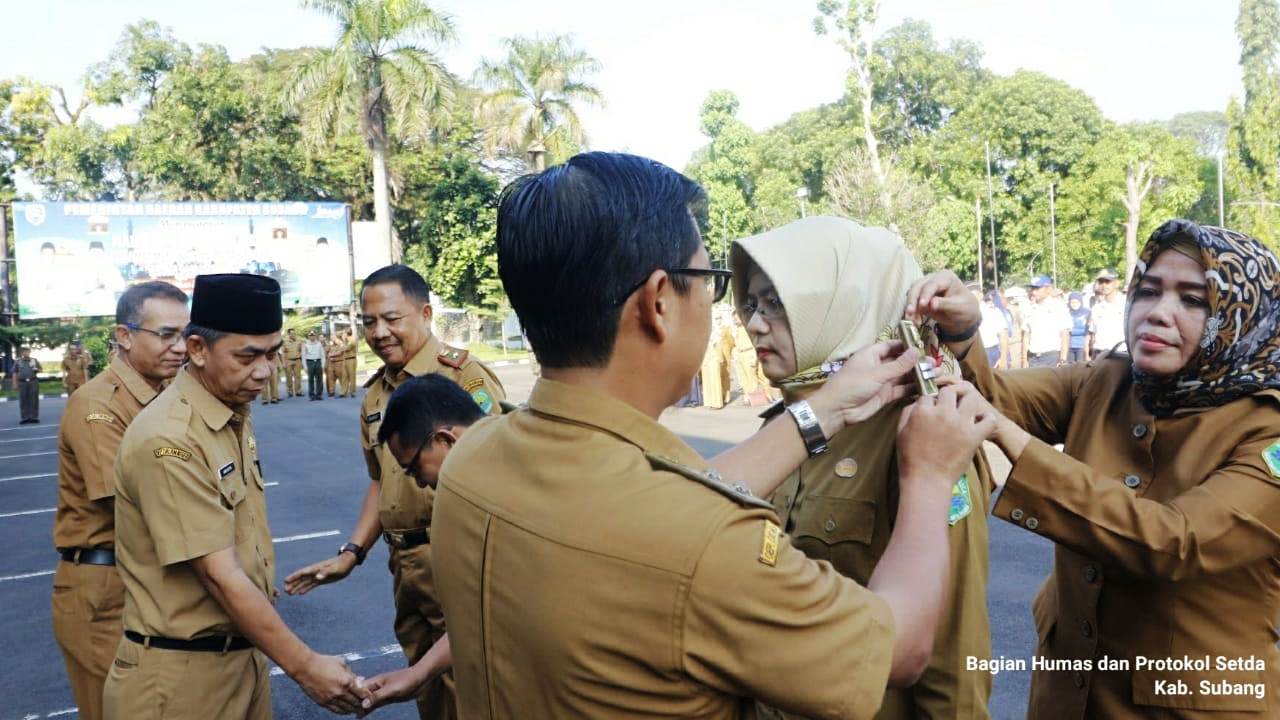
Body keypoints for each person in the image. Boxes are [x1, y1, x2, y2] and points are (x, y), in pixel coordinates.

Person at [431, 151, 996, 719]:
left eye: (774, 303)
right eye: (717, 285)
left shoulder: (472, 456)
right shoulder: (712, 533)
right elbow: (901, 649)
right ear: (658, 302)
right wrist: (926, 477)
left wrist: (819, 412)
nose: (748, 321)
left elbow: (956, 675)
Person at [905, 219, 1280, 719]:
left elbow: (1174, 541)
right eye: (1148, 291)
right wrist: (964, 329)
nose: (1158, 313)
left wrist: (1017, 445)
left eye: (1192, 300)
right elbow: (989, 398)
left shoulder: (1267, 431)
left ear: (1242, 318)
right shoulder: (1106, 381)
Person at [732, 216, 994, 720]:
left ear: (844, 304)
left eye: (777, 303)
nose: (755, 323)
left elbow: (953, 654)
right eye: (751, 304)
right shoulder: (783, 428)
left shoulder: (924, 434)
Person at [104, 274, 370, 719]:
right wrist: (306, 667)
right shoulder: (169, 439)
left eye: (273, 353)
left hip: (240, 661)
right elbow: (219, 577)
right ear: (197, 350)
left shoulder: (230, 413)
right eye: (247, 356)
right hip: (181, 683)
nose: (265, 371)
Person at [283, 264, 505, 720]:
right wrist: (352, 552)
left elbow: (500, 473)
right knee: (426, 686)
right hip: (404, 564)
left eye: (392, 318)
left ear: (425, 313)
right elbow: (381, 479)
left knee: (474, 683)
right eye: (368, 322)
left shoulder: (465, 378)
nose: (378, 332)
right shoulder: (376, 393)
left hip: (456, 556)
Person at [52, 281, 189, 720]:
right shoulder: (97, 404)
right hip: (104, 587)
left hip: (148, 579)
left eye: (186, 335)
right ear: (125, 336)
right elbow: (128, 500)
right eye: (166, 335)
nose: (180, 347)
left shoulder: (166, 398)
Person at [355, 374, 487, 717]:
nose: (422, 483)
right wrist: (416, 675)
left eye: (415, 469)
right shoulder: (473, 489)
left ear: (445, 439)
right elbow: (479, 617)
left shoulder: (512, 492)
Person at [1024, 275, 1070, 367]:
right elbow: (1026, 336)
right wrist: (1024, 360)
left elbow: (1064, 335)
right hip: (1033, 359)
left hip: (1051, 358)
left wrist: (1063, 360)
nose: (1034, 292)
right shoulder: (1029, 308)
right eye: (1032, 289)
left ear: (1048, 289)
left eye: (1037, 288)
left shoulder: (1058, 307)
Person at [1089, 267, 1126, 359]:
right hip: (1099, 353)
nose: (1104, 285)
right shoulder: (1096, 308)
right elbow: (1093, 335)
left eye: (1107, 282)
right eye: (1101, 282)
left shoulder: (1126, 304)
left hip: (1120, 353)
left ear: (1117, 283)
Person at [732, 313, 765, 404]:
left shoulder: (749, 329)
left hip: (749, 352)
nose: (735, 320)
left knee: (751, 378)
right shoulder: (736, 330)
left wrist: (754, 357)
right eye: (734, 318)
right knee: (744, 379)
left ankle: (755, 399)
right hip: (740, 354)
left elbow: (755, 343)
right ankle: (747, 397)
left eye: (736, 318)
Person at [975, 286, 1010, 369]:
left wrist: (1003, 358)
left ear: (980, 295)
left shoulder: (992, 311)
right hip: (973, 353)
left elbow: (1003, 335)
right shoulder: (966, 314)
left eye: (973, 294)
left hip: (990, 353)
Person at [1002, 286, 1030, 368]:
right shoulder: (1004, 310)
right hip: (1007, 344)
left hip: (1016, 344)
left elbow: (1023, 328)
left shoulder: (1017, 310)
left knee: (1015, 368)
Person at [15, 347, 41, 423]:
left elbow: (40, 369)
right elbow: (15, 372)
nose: (26, 353)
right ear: (22, 353)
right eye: (24, 352)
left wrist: (35, 368)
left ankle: (34, 417)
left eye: (27, 351)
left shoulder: (34, 360)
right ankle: (25, 418)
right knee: (23, 400)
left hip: (33, 382)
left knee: (34, 399)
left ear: (29, 352)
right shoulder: (18, 361)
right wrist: (14, 383)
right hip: (22, 383)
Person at [1066, 292, 1092, 363]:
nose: (1074, 304)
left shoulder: (1086, 312)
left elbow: (1087, 329)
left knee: (1080, 366)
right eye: (1072, 302)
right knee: (1070, 367)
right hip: (1069, 345)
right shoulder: (1066, 312)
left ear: (1081, 302)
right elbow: (1064, 330)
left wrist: (1072, 331)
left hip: (1081, 345)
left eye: (1077, 302)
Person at [303, 330, 326, 400]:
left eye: (313, 335)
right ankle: (312, 395)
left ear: (315, 336)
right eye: (310, 335)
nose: (312, 337)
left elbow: (323, 355)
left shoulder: (319, 344)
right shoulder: (305, 345)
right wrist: (305, 366)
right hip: (310, 362)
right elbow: (303, 356)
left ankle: (319, 395)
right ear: (308, 336)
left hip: (318, 362)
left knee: (319, 379)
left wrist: (323, 365)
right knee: (310, 379)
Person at [282, 328, 304, 397]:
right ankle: (290, 391)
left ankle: (298, 391)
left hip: (297, 360)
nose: (293, 334)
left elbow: (302, 351)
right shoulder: (285, 342)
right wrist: (283, 363)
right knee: (289, 377)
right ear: (288, 334)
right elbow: (283, 353)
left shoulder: (299, 341)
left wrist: (302, 361)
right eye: (292, 333)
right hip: (288, 360)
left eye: (294, 333)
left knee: (298, 376)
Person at [342, 329, 359, 397]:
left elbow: (346, 349)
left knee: (352, 376)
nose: (343, 335)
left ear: (346, 334)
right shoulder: (346, 341)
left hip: (351, 360)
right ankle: (343, 392)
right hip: (345, 359)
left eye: (344, 334)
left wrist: (343, 342)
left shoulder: (352, 341)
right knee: (344, 376)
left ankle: (353, 392)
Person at [326, 332, 343, 397]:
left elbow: (340, 352)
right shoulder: (330, 345)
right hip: (331, 363)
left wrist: (331, 355)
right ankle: (331, 391)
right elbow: (326, 351)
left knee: (341, 377)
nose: (332, 339)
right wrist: (329, 345)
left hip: (338, 362)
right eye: (331, 338)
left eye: (333, 338)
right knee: (330, 378)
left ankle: (343, 391)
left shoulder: (341, 343)